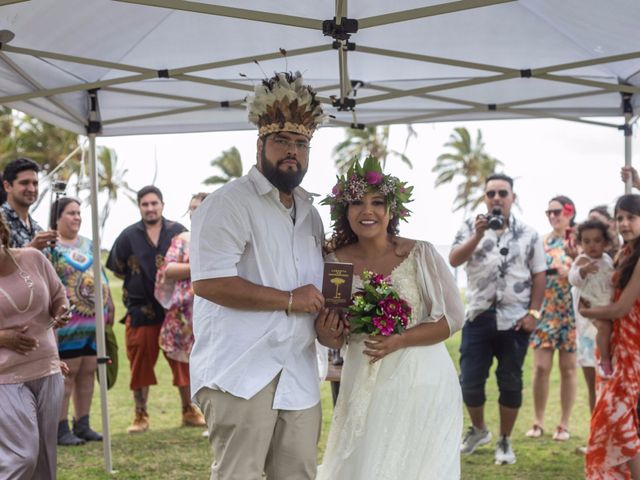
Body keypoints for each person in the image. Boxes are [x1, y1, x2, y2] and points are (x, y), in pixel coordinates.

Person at [190, 71, 326, 480]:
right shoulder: (227, 203)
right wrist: (288, 299)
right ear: (260, 144)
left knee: (298, 474)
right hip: (240, 371)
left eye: (301, 143)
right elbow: (209, 283)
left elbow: (314, 291)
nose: (293, 152)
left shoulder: (311, 214)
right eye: (282, 141)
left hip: (298, 373)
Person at [315, 156, 465, 479]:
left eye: (377, 202)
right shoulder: (334, 263)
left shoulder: (420, 253)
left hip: (423, 380)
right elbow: (334, 335)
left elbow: (453, 318)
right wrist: (327, 332)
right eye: (356, 202)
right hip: (364, 380)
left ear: (391, 210)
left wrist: (401, 339)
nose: (367, 211)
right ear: (344, 210)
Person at [450, 173, 546, 465]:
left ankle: (504, 439)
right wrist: (478, 235)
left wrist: (533, 313)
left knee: (510, 382)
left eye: (502, 193)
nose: (496, 198)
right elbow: (454, 259)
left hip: (515, 320)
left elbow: (539, 274)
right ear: (484, 198)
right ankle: (479, 430)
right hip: (478, 315)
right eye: (491, 193)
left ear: (512, 198)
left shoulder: (529, 233)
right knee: (469, 381)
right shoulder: (469, 227)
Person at [106, 185, 200, 434]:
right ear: (139, 207)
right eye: (145, 204)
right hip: (141, 310)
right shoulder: (128, 236)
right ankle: (140, 414)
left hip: (176, 310)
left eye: (154, 203)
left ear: (162, 205)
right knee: (140, 364)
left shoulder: (179, 233)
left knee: (183, 362)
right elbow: (117, 268)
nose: (150, 208)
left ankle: (189, 410)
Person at [0, 211, 71, 478]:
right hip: (5, 377)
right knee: (22, 456)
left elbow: (58, 295)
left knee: (44, 459)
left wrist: (61, 311)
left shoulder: (33, 259)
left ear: (2, 234)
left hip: (47, 369)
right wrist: (4, 338)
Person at [46, 197, 115, 446]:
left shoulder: (89, 243)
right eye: (70, 213)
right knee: (68, 373)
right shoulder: (51, 247)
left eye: (78, 213)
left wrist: (109, 304)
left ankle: (82, 423)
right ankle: (60, 426)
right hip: (67, 323)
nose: (76, 217)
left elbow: (101, 275)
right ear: (57, 217)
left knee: (88, 370)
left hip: (93, 321)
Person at [580, 194, 640, 479]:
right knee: (615, 419)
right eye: (620, 218)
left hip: (633, 349)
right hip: (613, 346)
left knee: (620, 418)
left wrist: (588, 311)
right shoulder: (623, 254)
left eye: (631, 217)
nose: (625, 223)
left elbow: (621, 308)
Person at [154, 193, 208, 429]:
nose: (195, 212)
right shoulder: (182, 239)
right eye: (192, 208)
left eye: (200, 207)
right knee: (185, 364)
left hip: (211, 312)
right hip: (184, 314)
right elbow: (169, 270)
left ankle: (211, 413)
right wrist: (202, 266)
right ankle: (189, 409)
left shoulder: (221, 237)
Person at [528, 195, 579, 442]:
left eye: (556, 211)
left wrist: (571, 271)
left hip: (570, 313)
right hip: (545, 311)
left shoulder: (579, 241)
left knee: (569, 370)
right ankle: (537, 421)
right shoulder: (540, 242)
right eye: (548, 212)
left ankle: (564, 424)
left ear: (569, 212)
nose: (552, 216)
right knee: (540, 368)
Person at [568, 219, 614, 455]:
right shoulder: (581, 261)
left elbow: (614, 281)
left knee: (607, 389)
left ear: (606, 242)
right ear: (580, 243)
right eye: (587, 241)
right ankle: (596, 435)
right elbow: (573, 278)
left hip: (606, 313)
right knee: (593, 388)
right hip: (588, 326)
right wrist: (582, 271)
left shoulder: (608, 260)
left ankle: (609, 437)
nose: (592, 246)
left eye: (597, 241)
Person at [1, 157, 58, 249]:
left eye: (35, 183)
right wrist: (31, 249)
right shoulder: (1, 221)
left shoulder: (38, 230)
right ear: (7, 186)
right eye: (24, 183)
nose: (32, 189)